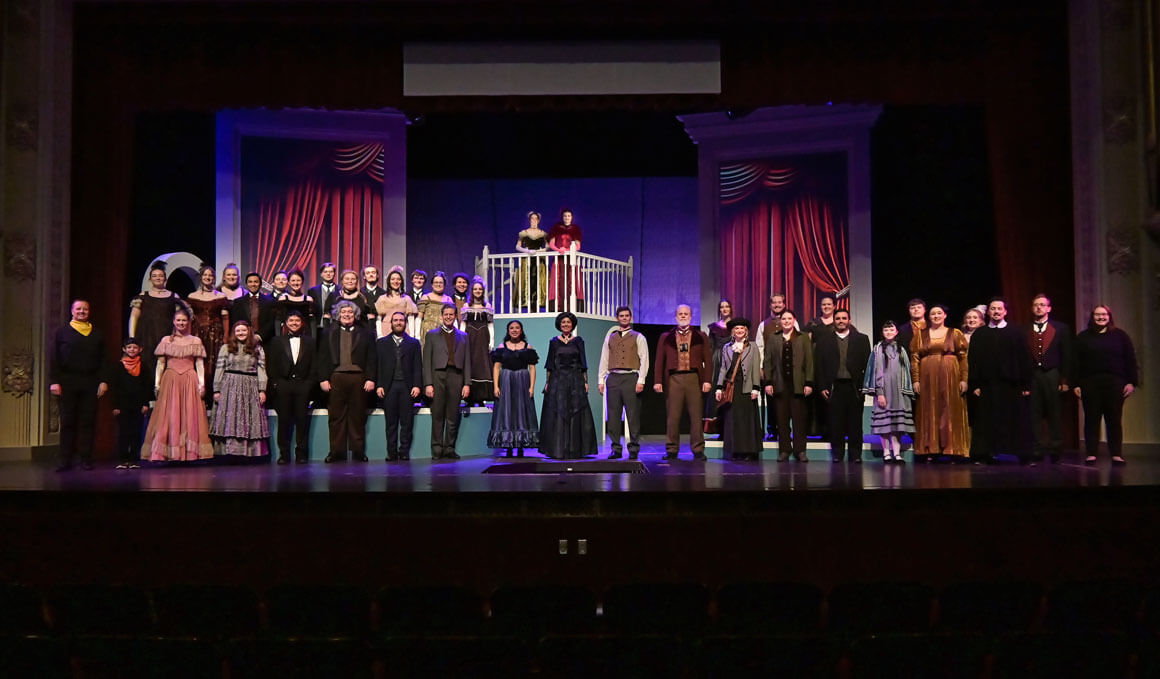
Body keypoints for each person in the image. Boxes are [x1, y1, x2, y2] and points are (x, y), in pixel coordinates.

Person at [141, 307, 214, 462]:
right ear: (174, 322)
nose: (181, 323)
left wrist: (202, 385)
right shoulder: (166, 340)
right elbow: (160, 364)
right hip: (170, 379)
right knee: (169, 415)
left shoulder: (195, 341)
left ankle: (189, 453)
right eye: (178, 320)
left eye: (184, 320)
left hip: (189, 379)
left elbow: (199, 364)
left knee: (190, 415)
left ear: (188, 322)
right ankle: (165, 453)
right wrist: (157, 384)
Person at [967, 297, 1034, 465]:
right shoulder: (980, 334)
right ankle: (984, 454)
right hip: (987, 385)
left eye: (999, 309)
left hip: (1011, 385)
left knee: (1016, 420)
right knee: (986, 421)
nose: (996, 312)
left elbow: (1024, 359)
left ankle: (1023, 455)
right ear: (988, 312)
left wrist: (1026, 384)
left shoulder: (1016, 332)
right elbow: (973, 360)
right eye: (993, 309)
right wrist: (975, 384)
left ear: (1005, 312)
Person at [49, 300, 110, 471]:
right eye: (78, 309)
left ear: (89, 311)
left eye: (85, 309)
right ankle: (65, 460)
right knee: (68, 422)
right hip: (68, 382)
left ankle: (86, 459)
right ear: (72, 311)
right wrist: (54, 381)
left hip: (90, 382)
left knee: (87, 422)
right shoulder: (62, 332)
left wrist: (104, 381)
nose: (82, 311)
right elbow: (54, 358)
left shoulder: (97, 334)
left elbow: (104, 360)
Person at [1073, 305, 1138, 466]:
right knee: (1091, 419)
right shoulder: (1083, 337)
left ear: (1109, 317)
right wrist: (1075, 384)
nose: (1101, 317)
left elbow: (1130, 360)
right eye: (1097, 315)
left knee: (1114, 419)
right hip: (1090, 383)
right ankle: (1091, 454)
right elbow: (1075, 363)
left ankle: (1116, 454)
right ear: (1092, 317)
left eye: (1104, 314)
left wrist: (1132, 382)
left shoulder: (1120, 336)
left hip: (1115, 383)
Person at [316, 300, 377, 463]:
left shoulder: (365, 333)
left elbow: (372, 358)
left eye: (350, 312)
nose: (347, 315)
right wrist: (323, 378)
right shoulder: (328, 332)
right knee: (336, 417)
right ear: (338, 314)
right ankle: (336, 452)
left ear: (355, 314)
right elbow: (322, 358)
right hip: (336, 378)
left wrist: (371, 378)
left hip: (359, 378)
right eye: (343, 312)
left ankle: (358, 451)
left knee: (357, 416)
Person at [910, 304, 971, 462]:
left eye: (939, 313)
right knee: (929, 408)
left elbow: (963, 357)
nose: (936, 316)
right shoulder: (921, 334)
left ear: (945, 315)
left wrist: (964, 379)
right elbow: (915, 358)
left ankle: (953, 449)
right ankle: (931, 449)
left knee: (950, 408)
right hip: (927, 376)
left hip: (950, 374)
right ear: (929, 317)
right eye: (933, 314)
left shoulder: (955, 333)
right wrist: (916, 379)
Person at [654, 304, 712, 461]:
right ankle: (672, 449)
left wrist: (707, 380)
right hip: (674, 379)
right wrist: (657, 380)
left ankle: (698, 449)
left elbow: (708, 359)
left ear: (691, 316)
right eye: (680, 314)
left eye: (686, 314)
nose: (683, 316)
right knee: (673, 417)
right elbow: (659, 360)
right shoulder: (666, 337)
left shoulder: (701, 336)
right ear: (676, 316)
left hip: (694, 378)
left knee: (696, 416)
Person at [815, 309, 871, 463]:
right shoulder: (824, 340)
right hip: (834, 387)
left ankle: (855, 454)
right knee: (835, 423)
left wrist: (865, 386)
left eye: (844, 318)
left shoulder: (862, 339)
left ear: (849, 320)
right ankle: (838, 454)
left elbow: (868, 365)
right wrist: (821, 387)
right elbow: (818, 366)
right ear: (834, 320)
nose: (841, 321)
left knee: (855, 423)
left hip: (855, 387)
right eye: (838, 318)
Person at [540, 312, 598, 459]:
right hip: (557, 380)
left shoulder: (579, 341)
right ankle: (558, 450)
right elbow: (550, 364)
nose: (566, 324)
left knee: (575, 411)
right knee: (558, 412)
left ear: (572, 325)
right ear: (559, 325)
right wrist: (547, 383)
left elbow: (583, 364)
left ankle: (574, 450)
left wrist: (586, 382)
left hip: (575, 380)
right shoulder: (553, 342)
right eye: (563, 322)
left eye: (568, 322)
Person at [210, 320, 270, 460]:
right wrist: (217, 390)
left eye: (243, 330)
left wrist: (262, 389)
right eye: (238, 330)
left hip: (250, 385)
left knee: (249, 417)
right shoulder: (226, 348)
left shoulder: (257, 348)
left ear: (249, 331)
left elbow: (262, 369)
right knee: (230, 419)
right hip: (230, 386)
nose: (241, 333)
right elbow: (220, 369)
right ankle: (230, 452)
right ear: (233, 333)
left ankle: (249, 453)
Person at [762, 309, 814, 462]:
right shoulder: (773, 338)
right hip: (780, 385)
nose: (786, 321)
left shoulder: (803, 337)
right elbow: (768, 362)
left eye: (789, 318)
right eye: (783, 319)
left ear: (794, 320)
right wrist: (768, 382)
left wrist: (809, 382)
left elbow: (809, 362)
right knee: (782, 421)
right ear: (780, 321)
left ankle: (800, 451)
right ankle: (785, 450)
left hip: (798, 385)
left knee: (799, 421)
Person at [598, 306, 649, 460]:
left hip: (630, 377)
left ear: (630, 318)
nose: (624, 318)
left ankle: (633, 448)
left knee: (632, 415)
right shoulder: (610, 337)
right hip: (613, 378)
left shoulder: (638, 337)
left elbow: (644, 359)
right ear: (617, 318)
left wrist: (641, 380)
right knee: (613, 415)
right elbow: (604, 358)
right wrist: (601, 379)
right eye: (621, 316)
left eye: (627, 315)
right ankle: (615, 448)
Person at [1027, 293, 1073, 463]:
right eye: (1036, 305)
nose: (1039, 307)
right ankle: (1037, 448)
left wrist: (1065, 380)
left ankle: (1055, 449)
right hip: (1033, 375)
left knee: (1054, 412)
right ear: (1032, 308)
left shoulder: (1061, 328)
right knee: (1034, 413)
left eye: (1042, 305)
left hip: (1052, 373)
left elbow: (1067, 356)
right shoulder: (1025, 329)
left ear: (1049, 308)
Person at [423, 303, 471, 460]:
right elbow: (427, 361)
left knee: (452, 414)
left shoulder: (463, 336)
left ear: (455, 316)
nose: (449, 317)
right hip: (438, 375)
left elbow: (467, 362)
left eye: (451, 314)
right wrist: (428, 383)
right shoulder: (431, 335)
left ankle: (449, 447)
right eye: (446, 314)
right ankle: (437, 448)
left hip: (456, 376)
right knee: (437, 414)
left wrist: (467, 383)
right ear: (442, 316)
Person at [862, 321, 915, 464]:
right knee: (884, 424)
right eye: (886, 330)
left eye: (891, 330)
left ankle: (896, 454)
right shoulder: (878, 348)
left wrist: (906, 390)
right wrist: (879, 393)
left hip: (898, 391)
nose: (889, 332)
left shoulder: (901, 349)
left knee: (897, 425)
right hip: (884, 391)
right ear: (883, 333)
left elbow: (906, 371)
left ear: (896, 332)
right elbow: (876, 370)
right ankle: (886, 453)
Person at [268, 310, 316, 464]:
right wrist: (276, 383)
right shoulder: (276, 341)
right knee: (284, 421)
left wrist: (309, 384)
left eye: (297, 320)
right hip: (284, 385)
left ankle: (301, 454)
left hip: (303, 385)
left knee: (302, 421)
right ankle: (284, 454)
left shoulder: (310, 341)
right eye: (291, 320)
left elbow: (314, 365)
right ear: (286, 323)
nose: (294, 323)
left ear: (302, 323)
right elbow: (271, 364)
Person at [488, 320, 540, 457]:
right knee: (507, 411)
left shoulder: (528, 347)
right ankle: (508, 446)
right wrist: (496, 386)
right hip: (506, 380)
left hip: (522, 380)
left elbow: (533, 368)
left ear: (521, 330)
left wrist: (532, 387)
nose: (514, 330)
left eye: (517, 328)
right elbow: (496, 367)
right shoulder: (501, 347)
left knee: (521, 411)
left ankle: (521, 445)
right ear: (508, 330)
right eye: (512, 328)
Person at [376, 311, 423, 461]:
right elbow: (378, 367)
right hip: (389, 387)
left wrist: (417, 385)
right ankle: (391, 452)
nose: (398, 322)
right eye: (395, 320)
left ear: (405, 323)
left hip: (407, 387)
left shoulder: (414, 343)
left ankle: (404, 452)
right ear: (391, 323)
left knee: (406, 422)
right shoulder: (382, 343)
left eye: (401, 320)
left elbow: (418, 366)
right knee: (390, 422)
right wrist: (379, 385)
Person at [714, 318, 763, 460]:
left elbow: (755, 367)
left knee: (746, 420)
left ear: (746, 331)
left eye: (742, 328)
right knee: (733, 420)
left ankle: (749, 451)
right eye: (736, 329)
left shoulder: (752, 347)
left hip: (746, 387)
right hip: (732, 388)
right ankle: (735, 450)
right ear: (732, 331)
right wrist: (719, 387)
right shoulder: (727, 348)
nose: (739, 331)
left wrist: (755, 388)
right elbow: (723, 369)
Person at [186, 262, 231, 405]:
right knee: (199, 363)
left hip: (215, 335)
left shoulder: (220, 296)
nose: (208, 277)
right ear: (201, 277)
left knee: (214, 365)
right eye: (205, 275)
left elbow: (225, 318)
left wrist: (225, 337)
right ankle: (199, 396)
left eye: (211, 275)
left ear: (214, 278)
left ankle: (213, 398)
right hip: (197, 334)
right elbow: (188, 318)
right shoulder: (192, 296)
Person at [128, 260, 186, 371]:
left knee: (165, 366)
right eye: (154, 276)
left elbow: (180, 318)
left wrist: (178, 336)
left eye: (160, 275)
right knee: (146, 366)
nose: (158, 278)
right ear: (150, 279)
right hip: (146, 337)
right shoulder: (142, 296)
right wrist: (132, 338)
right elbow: (134, 317)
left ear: (165, 278)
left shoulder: (174, 297)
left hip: (166, 336)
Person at [755, 293, 794, 442]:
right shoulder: (763, 325)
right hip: (771, 369)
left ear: (784, 304)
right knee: (771, 401)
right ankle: (771, 430)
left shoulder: (792, 322)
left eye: (780, 303)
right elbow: (759, 347)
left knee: (787, 401)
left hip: (788, 369)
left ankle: (786, 430)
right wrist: (760, 367)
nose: (777, 305)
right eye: (774, 303)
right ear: (770, 305)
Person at [110, 337, 151, 470]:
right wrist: (115, 406)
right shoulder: (119, 366)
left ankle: (133, 459)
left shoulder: (143, 366)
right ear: (124, 349)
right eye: (129, 347)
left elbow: (147, 386)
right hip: (123, 405)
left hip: (138, 404)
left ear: (140, 349)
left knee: (136, 432)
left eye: (134, 347)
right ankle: (123, 459)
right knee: (123, 432)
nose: (132, 350)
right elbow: (115, 387)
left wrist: (146, 404)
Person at [460, 277, 495, 404]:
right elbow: (463, 324)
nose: (478, 291)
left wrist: (491, 341)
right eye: (475, 289)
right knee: (470, 362)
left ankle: (481, 396)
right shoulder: (466, 306)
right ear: (472, 291)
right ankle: (469, 395)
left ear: (483, 291)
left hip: (482, 337)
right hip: (469, 336)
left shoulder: (487, 306)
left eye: (480, 289)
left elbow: (490, 325)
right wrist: (461, 338)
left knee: (482, 363)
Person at [547, 208, 585, 312]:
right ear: (562, 217)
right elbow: (551, 244)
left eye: (568, 216)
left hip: (571, 260)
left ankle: (573, 308)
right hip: (559, 259)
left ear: (572, 217)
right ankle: (558, 307)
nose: (567, 218)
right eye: (565, 216)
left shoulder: (575, 228)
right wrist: (559, 250)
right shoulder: (556, 228)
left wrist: (568, 250)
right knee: (559, 282)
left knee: (572, 281)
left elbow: (578, 246)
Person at [705, 299, 734, 423]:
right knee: (716, 387)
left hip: (731, 358)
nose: (724, 309)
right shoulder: (714, 327)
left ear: (731, 309)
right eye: (722, 307)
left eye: (727, 306)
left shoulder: (735, 326)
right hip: (717, 359)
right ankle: (714, 419)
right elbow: (710, 346)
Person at [230, 272, 277, 346]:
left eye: (256, 282)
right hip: (244, 341)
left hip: (265, 341)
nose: (253, 284)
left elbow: (272, 322)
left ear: (260, 284)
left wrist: (260, 336)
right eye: (250, 282)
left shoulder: (270, 301)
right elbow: (236, 322)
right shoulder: (238, 302)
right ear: (246, 284)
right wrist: (246, 336)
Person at [514, 211, 549, 310]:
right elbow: (517, 246)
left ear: (538, 220)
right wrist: (527, 250)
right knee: (527, 281)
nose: (534, 220)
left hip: (539, 261)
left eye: (536, 219)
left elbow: (547, 246)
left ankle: (537, 303)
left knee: (538, 281)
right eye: (532, 218)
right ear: (529, 220)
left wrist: (540, 251)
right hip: (527, 261)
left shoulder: (543, 234)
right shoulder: (524, 233)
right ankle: (527, 303)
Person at [374, 265, 419, 339]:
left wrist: (412, 336)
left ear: (401, 281)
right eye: (393, 279)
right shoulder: (382, 299)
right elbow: (378, 319)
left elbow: (411, 319)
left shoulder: (406, 299)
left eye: (398, 279)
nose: (396, 281)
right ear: (389, 281)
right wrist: (380, 335)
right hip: (386, 330)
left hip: (403, 331)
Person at [274, 269, 315, 338]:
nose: (296, 283)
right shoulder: (283, 299)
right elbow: (278, 321)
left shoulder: (309, 299)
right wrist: (278, 338)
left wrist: (313, 339)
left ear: (302, 282)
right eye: (293, 280)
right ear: (289, 282)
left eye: (298, 280)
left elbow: (312, 322)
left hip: (305, 336)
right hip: (285, 336)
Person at [416, 271, 453, 347]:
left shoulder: (448, 300)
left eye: (440, 282)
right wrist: (417, 335)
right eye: (436, 282)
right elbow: (419, 318)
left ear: (444, 284)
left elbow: (453, 319)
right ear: (432, 284)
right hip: (428, 332)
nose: (438, 284)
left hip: (443, 332)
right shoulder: (426, 297)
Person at [306, 262, 338, 332]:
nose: (328, 274)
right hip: (318, 326)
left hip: (336, 326)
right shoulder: (312, 291)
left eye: (331, 271)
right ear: (321, 274)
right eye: (325, 272)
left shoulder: (340, 290)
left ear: (334, 273)